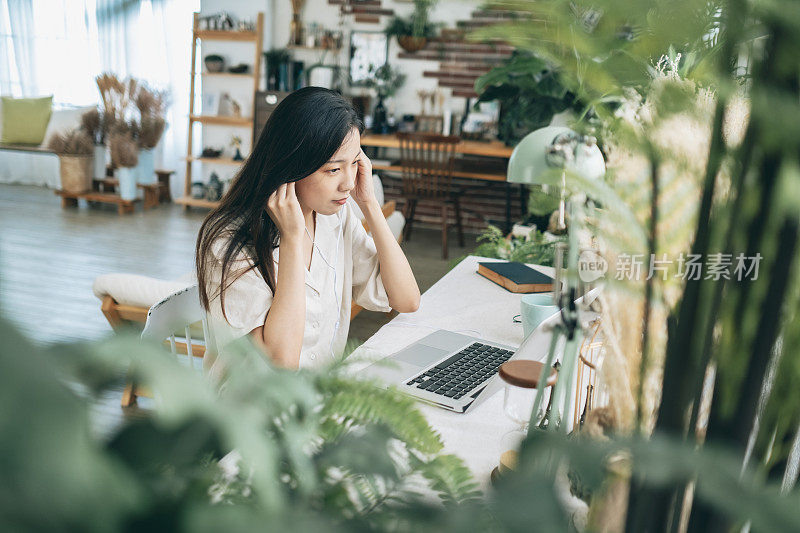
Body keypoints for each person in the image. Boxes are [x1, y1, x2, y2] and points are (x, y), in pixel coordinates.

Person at [196, 87, 420, 370]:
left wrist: (370, 203)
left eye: (354, 164)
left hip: (316, 400)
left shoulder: (334, 217)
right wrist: (291, 238)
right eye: (333, 170)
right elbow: (281, 363)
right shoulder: (228, 241)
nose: (349, 183)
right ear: (291, 165)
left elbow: (406, 299)